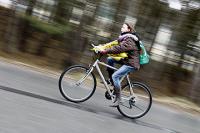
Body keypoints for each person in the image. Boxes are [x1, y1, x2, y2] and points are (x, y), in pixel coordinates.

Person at [100, 22, 140, 107]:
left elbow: (119, 48)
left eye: (123, 27)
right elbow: (113, 44)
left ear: (128, 29)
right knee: (110, 59)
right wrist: (101, 47)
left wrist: (105, 51)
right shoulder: (124, 37)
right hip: (127, 60)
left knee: (116, 76)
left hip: (131, 64)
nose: (121, 28)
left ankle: (119, 99)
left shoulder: (129, 39)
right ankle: (111, 81)